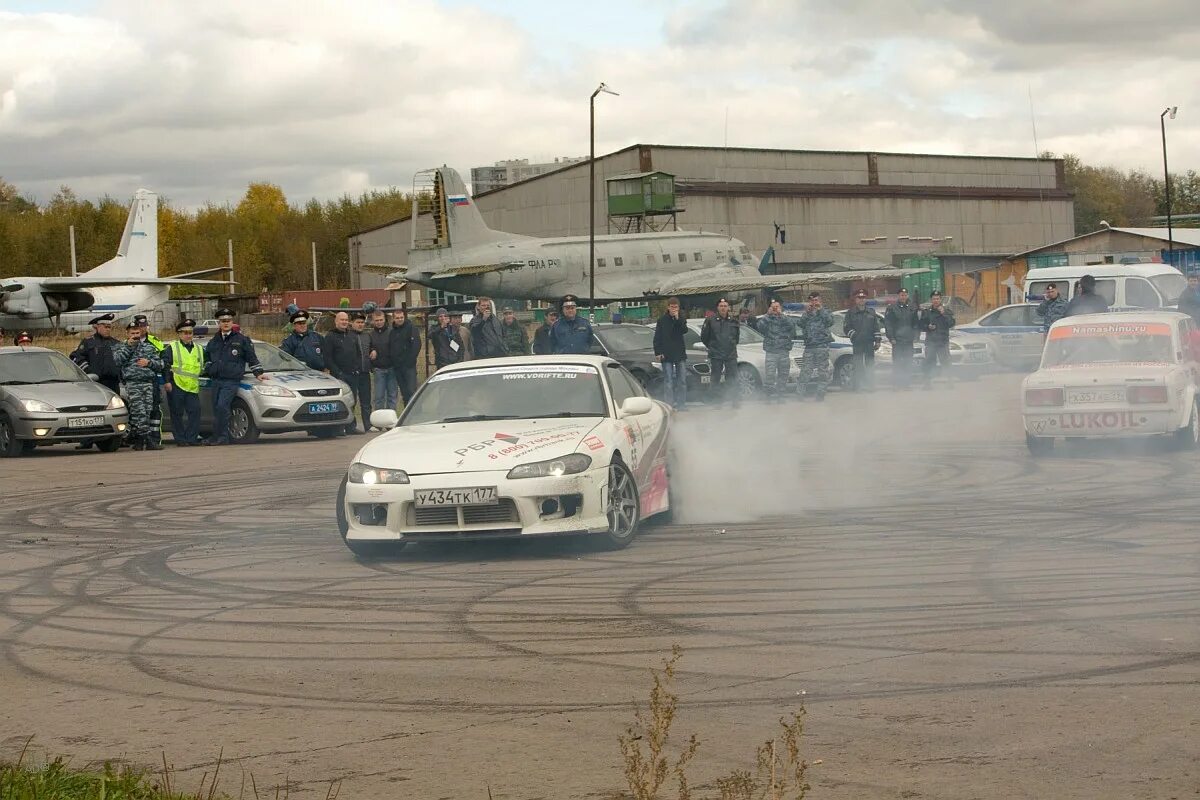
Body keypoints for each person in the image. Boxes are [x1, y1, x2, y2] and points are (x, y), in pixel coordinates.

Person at [202, 308, 266, 445]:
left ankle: (223, 437)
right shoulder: (214, 341)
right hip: (216, 380)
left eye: (228, 321)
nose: (225, 324)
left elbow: (251, 357)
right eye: (223, 321)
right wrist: (210, 368)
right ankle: (216, 436)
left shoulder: (241, 340)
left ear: (232, 322)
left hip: (231, 380)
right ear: (219, 323)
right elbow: (207, 357)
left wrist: (258, 373)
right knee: (216, 408)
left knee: (222, 406)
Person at [112, 321, 164, 450]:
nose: (135, 335)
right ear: (127, 334)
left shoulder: (148, 347)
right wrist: (129, 347)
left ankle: (139, 440)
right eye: (132, 333)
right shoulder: (120, 346)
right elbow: (117, 360)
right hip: (133, 383)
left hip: (147, 383)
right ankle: (146, 440)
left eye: (137, 333)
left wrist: (149, 362)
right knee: (138, 412)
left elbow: (161, 365)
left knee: (146, 412)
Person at [325, 311, 370, 434]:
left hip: (353, 374)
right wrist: (337, 372)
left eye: (346, 320)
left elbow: (357, 354)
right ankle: (339, 428)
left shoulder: (351, 336)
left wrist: (356, 369)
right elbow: (328, 358)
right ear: (336, 321)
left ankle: (351, 427)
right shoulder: (330, 336)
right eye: (341, 320)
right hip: (339, 376)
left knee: (352, 401)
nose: (344, 322)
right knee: (340, 402)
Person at [162, 319, 203, 446]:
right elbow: (165, 365)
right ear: (179, 334)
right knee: (177, 413)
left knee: (195, 412)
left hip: (192, 386)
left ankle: (191, 438)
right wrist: (167, 381)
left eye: (190, 332)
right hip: (177, 385)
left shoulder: (199, 348)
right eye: (185, 333)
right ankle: (180, 439)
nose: (188, 335)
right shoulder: (172, 347)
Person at [700, 298, 741, 407]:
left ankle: (734, 401)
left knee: (733, 378)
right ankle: (717, 402)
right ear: (718, 308)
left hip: (730, 354)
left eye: (725, 306)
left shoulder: (734, 320)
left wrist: (731, 346)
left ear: (728, 307)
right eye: (721, 306)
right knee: (715, 379)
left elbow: (737, 337)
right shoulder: (710, 320)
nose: (723, 308)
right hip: (716, 354)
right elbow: (704, 337)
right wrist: (713, 347)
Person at [133, 314, 166, 449]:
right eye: (139, 326)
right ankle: (138, 440)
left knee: (154, 411)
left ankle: (154, 439)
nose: (142, 329)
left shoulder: (155, 342)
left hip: (152, 382)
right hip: (134, 383)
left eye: (144, 326)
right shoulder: (127, 343)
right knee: (138, 412)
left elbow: (164, 362)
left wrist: (166, 380)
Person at [755, 298, 797, 402]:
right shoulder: (767, 319)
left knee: (783, 375)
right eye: (773, 307)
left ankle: (780, 395)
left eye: (777, 306)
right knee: (770, 375)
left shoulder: (785, 318)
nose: (775, 308)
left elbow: (792, 326)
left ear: (780, 308)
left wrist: (781, 315)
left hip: (783, 351)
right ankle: (768, 396)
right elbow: (759, 327)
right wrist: (768, 315)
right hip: (771, 352)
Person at [794, 293, 834, 401]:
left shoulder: (825, 311)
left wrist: (820, 310)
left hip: (822, 345)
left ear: (820, 301)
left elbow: (830, 321)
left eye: (816, 300)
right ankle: (800, 394)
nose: (814, 302)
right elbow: (800, 323)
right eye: (812, 300)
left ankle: (820, 393)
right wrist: (807, 312)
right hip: (810, 346)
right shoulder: (807, 313)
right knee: (806, 371)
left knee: (822, 371)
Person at [70, 313, 121, 393]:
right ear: (98, 326)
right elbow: (76, 357)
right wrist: (88, 371)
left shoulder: (116, 343)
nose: (108, 329)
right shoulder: (88, 342)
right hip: (96, 383)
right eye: (105, 327)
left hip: (114, 383)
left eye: (109, 327)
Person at [653, 297, 689, 410]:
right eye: (672, 307)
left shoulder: (681, 318)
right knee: (668, 381)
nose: (674, 309)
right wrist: (658, 352)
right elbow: (657, 337)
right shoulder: (662, 320)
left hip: (679, 354)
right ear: (668, 307)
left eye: (676, 307)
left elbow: (684, 330)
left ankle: (681, 404)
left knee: (682, 380)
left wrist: (677, 318)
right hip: (666, 354)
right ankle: (669, 404)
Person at [844, 290, 882, 391]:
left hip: (869, 343)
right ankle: (858, 386)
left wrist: (878, 341)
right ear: (856, 300)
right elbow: (846, 328)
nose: (861, 300)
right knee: (858, 365)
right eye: (859, 298)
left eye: (863, 298)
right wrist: (855, 336)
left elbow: (876, 327)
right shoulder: (850, 313)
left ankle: (870, 386)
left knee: (870, 365)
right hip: (858, 344)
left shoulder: (871, 312)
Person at [884, 288, 920, 389]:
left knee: (908, 362)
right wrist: (891, 337)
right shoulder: (892, 308)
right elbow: (888, 324)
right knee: (897, 363)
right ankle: (896, 384)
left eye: (905, 295)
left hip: (908, 341)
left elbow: (915, 324)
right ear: (898, 296)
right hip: (897, 341)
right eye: (901, 295)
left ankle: (906, 384)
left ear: (907, 296)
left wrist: (916, 336)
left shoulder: (912, 308)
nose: (903, 297)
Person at [919, 291, 956, 387]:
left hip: (943, 341)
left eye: (938, 299)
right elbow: (921, 325)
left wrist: (943, 314)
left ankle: (950, 381)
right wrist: (928, 327)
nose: (936, 300)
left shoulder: (946, 311)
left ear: (940, 299)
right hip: (931, 342)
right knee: (929, 362)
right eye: (934, 299)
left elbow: (951, 324)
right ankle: (927, 382)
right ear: (931, 300)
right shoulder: (926, 312)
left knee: (946, 361)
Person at [387, 308, 422, 405]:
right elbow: (391, 347)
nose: (400, 319)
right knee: (404, 393)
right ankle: (406, 414)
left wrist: (410, 361)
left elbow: (416, 345)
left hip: (409, 367)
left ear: (404, 317)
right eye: (397, 318)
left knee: (412, 391)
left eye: (401, 317)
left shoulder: (411, 328)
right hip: (398, 367)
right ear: (394, 319)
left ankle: (416, 413)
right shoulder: (392, 332)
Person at [367, 310, 397, 413]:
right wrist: (372, 351)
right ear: (373, 321)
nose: (379, 322)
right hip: (378, 369)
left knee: (392, 396)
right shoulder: (370, 335)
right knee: (379, 397)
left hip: (392, 368)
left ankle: (390, 420)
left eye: (381, 320)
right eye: (377, 320)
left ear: (385, 320)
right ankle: (379, 421)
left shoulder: (392, 332)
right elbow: (368, 349)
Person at [351, 311, 374, 429]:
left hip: (365, 372)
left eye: (362, 322)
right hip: (353, 374)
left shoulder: (367, 335)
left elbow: (372, 347)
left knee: (366, 401)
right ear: (352, 323)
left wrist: (374, 350)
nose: (360, 325)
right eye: (358, 322)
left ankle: (368, 425)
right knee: (352, 401)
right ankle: (351, 425)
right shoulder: (349, 335)